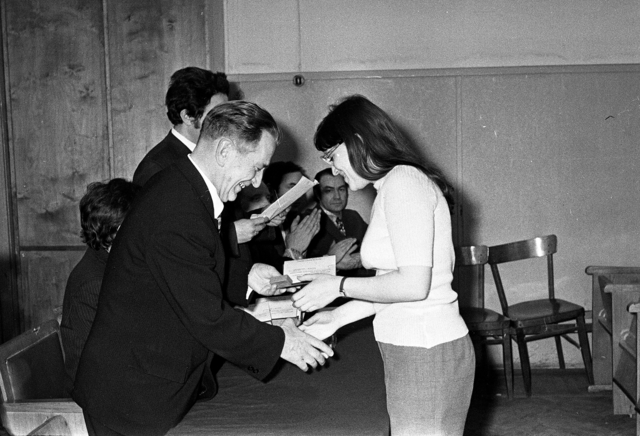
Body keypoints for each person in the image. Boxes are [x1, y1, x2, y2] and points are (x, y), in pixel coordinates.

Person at [73, 101, 333, 436]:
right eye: (256, 168)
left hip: (151, 379)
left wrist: (248, 278)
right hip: (132, 395)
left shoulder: (183, 186)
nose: (256, 182)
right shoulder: (178, 208)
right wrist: (283, 342)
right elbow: (207, 316)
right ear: (224, 151)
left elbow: (191, 269)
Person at [292, 95, 475, 436]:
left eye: (332, 156)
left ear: (357, 142)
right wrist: (339, 316)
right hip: (413, 345)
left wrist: (338, 287)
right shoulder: (391, 185)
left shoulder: (404, 182)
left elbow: (413, 285)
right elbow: (395, 284)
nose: (334, 169)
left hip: (425, 347)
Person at [60, 179, 139, 395]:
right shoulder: (93, 282)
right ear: (113, 230)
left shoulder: (111, 263)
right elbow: (99, 364)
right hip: (96, 396)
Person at [248, 162, 321, 270]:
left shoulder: (300, 222)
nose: (299, 194)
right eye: (292, 187)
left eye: (302, 188)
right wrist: (293, 251)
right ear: (272, 190)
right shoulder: (258, 230)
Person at [306, 168, 374, 277]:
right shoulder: (307, 219)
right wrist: (330, 261)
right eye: (329, 190)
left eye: (341, 189)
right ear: (318, 195)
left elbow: (376, 246)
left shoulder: (353, 216)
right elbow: (302, 266)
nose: (337, 196)